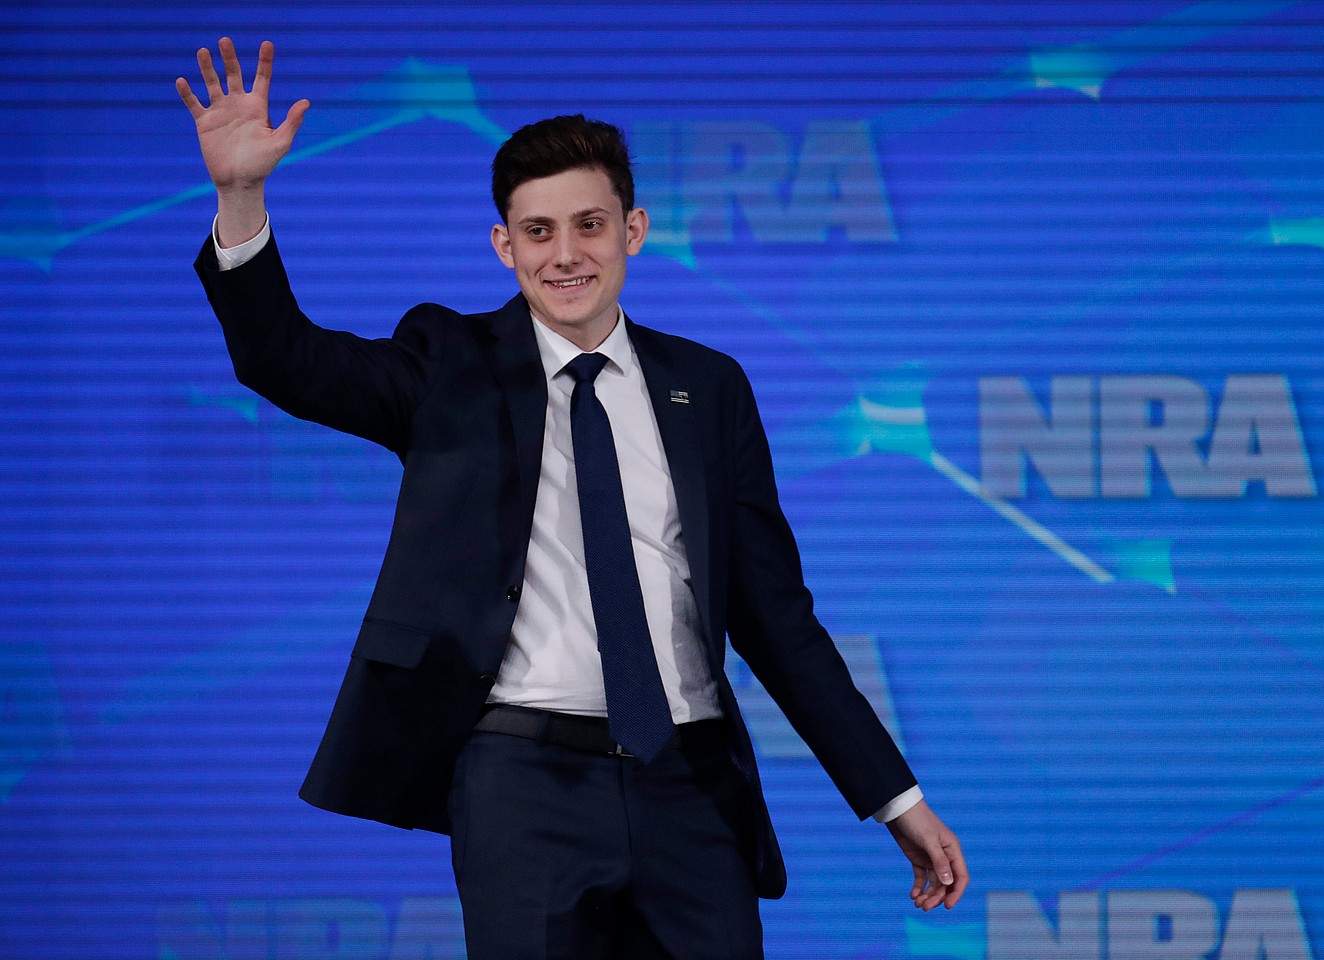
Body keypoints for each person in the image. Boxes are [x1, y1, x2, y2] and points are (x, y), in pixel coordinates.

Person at [177, 36, 968, 960]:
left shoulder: (708, 387)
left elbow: (779, 620)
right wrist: (241, 197)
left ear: (633, 228)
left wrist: (894, 799)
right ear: (503, 245)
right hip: (521, 784)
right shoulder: (447, 364)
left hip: (693, 782)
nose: (566, 256)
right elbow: (287, 360)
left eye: (589, 226)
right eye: (539, 232)